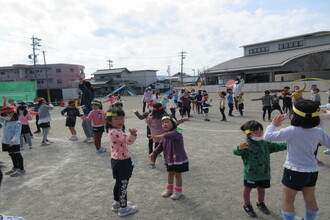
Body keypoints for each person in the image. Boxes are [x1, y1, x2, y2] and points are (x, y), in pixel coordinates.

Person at [263, 100, 330, 220]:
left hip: (294, 170)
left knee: (287, 199)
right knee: (310, 198)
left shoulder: (292, 130)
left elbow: (267, 136)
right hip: (312, 170)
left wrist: (273, 125)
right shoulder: (318, 131)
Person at [233, 120, 286, 218]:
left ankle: (260, 203)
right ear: (248, 134)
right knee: (247, 189)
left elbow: (277, 146)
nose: (259, 134)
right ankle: (247, 205)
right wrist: (239, 148)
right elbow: (236, 152)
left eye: (261, 131)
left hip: (264, 173)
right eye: (256, 132)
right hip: (250, 173)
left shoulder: (265, 143)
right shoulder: (246, 144)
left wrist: (289, 144)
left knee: (261, 189)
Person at [105, 107, 138, 217]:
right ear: (109, 121)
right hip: (123, 162)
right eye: (116, 119)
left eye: (122, 118)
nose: (120, 121)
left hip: (115, 160)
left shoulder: (111, 130)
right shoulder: (116, 131)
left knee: (119, 182)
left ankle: (117, 203)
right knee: (123, 184)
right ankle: (124, 208)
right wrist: (133, 134)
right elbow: (128, 141)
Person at [149, 115, 189, 200]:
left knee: (178, 175)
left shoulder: (177, 132)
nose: (164, 124)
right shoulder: (165, 135)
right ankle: (169, 189)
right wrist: (153, 153)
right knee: (170, 173)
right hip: (169, 159)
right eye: (162, 123)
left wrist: (158, 136)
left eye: (167, 122)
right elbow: (160, 146)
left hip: (179, 159)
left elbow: (170, 135)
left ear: (174, 123)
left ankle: (178, 191)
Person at [0, 107, 25, 177]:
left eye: (5, 115)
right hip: (5, 141)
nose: (4, 117)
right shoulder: (5, 121)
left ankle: (21, 169)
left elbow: (17, 134)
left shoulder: (18, 123)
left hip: (14, 142)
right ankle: (15, 167)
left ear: (11, 114)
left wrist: (13, 141)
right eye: (3, 116)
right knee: (11, 154)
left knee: (17, 155)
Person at [79, 78, 95, 143]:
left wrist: (82, 82)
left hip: (89, 111)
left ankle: (93, 137)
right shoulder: (85, 92)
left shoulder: (88, 92)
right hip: (85, 112)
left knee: (89, 125)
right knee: (84, 125)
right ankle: (88, 137)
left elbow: (82, 87)